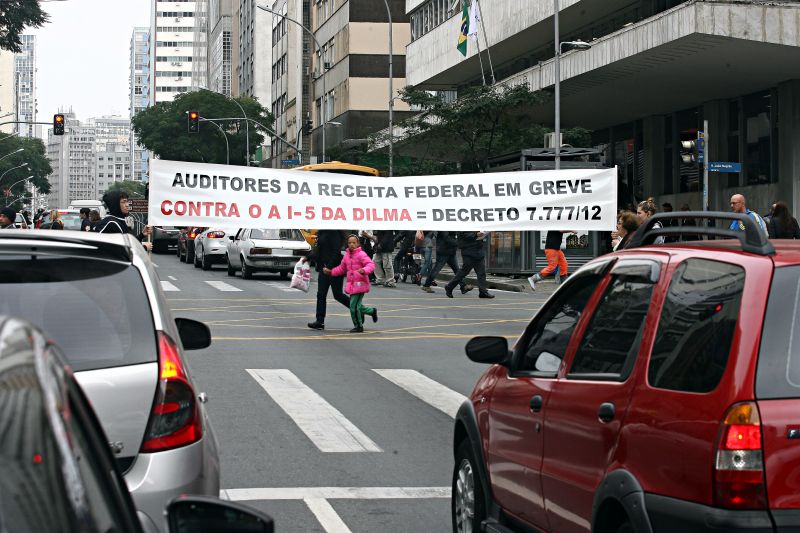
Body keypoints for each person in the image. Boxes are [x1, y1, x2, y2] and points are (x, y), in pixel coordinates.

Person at [324, 234, 378, 333]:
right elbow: (341, 268)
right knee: (355, 305)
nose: (351, 244)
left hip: (360, 284)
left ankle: (358, 326)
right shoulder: (346, 256)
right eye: (349, 243)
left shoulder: (361, 254)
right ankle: (371, 311)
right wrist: (331, 272)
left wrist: (364, 270)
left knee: (354, 306)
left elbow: (370, 264)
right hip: (352, 285)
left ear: (358, 244)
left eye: (354, 243)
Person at [305, 230, 351, 331]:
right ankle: (320, 321)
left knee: (338, 295)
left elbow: (336, 252)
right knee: (321, 294)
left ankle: (359, 309)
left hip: (334, 268)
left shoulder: (334, 233)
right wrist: (307, 257)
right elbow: (318, 249)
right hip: (323, 268)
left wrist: (329, 267)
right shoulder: (322, 232)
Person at [445, 231, 494, 299]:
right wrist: (476, 234)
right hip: (468, 250)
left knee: (481, 272)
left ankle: (483, 292)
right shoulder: (464, 225)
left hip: (478, 250)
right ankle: (449, 287)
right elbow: (464, 234)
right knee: (464, 271)